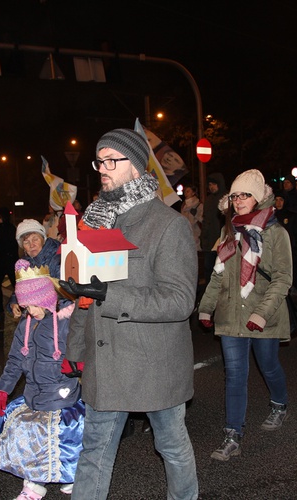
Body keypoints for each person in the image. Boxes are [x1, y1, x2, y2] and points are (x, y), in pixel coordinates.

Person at [61, 128, 198, 500]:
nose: (102, 168)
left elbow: (179, 299)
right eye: (99, 161)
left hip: (153, 363)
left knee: (171, 447)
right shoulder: (96, 221)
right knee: (93, 452)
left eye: (111, 161)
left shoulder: (168, 225)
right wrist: (75, 350)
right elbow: (85, 301)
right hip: (105, 362)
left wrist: (110, 293)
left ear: (136, 167)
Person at [198, 170, 293, 460]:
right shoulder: (230, 232)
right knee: (235, 375)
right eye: (235, 196)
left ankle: (280, 404)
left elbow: (282, 279)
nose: (239, 200)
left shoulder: (276, 233)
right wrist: (206, 306)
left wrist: (262, 313)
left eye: (245, 195)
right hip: (231, 315)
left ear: (259, 197)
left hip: (264, 314)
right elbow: (218, 275)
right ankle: (232, 435)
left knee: (268, 365)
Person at [0, 259, 83, 499]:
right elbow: (15, 360)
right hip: (33, 393)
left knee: (64, 438)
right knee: (28, 436)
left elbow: (83, 349)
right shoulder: (25, 326)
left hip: (61, 394)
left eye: (35, 305)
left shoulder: (65, 322)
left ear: (48, 298)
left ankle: (73, 475)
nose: (32, 311)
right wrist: (4, 390)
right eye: (27, 307)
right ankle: (34, 485)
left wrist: (77, 364)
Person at [9, 219, 61, 319]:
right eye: (26, 242)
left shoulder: (57, 258)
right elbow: (22, 288)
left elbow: (64, 294)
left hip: (55, 315)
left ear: (43, 239)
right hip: (36, 315)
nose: (31, 245)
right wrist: (14, 302)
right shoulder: (25, 263)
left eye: (35, 239)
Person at [0, 207, 17, 329]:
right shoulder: (11, 228)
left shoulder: (0, 229)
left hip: (1, 262)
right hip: (10, 261)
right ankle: (22, 303)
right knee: (17, 284)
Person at [200, 173, 227, 283]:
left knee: (221, 270)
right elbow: (206, 220)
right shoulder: (209, 200)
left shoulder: (226, 199)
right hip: (210, 241)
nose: (212, 187)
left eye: (214, 184)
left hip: (222, 240)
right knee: (208, 268)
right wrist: (203, 238)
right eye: (210, 184)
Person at [180, 185, 203, 250]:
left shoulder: (198, 204)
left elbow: (202, 219)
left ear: (193, 193)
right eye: (185, 191)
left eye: (188, 191)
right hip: (185, 232)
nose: (186, 193)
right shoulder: (183, 205)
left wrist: (196, 215)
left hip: (195, 232)